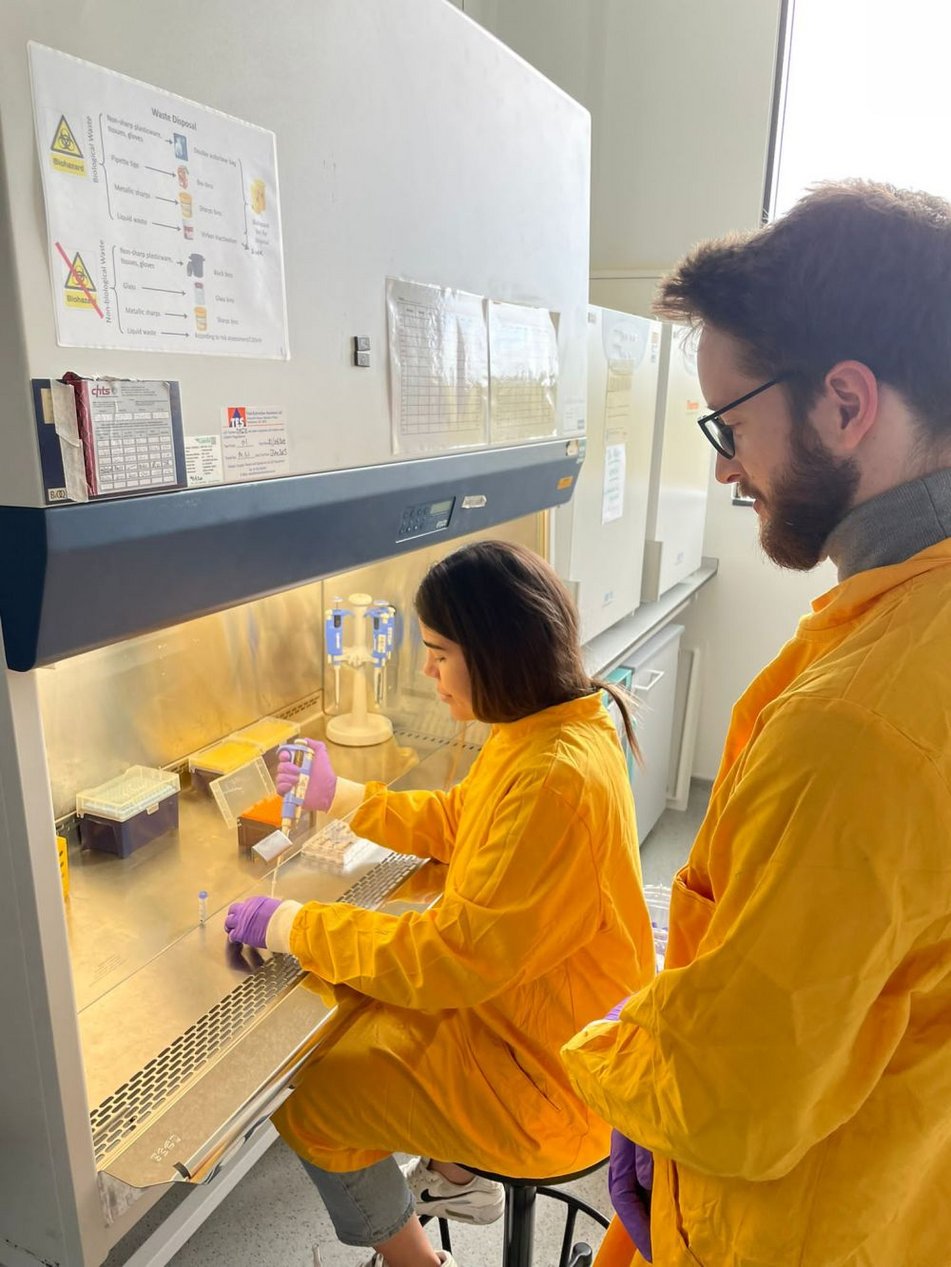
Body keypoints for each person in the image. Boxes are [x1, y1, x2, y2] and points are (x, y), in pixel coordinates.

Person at [561, 178, 951, 1267]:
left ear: (844, 401)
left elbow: (736, 1093)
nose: (726, 465)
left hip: (802, 1220)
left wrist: (607, 1057)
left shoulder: (860, 728)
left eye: (731, 424)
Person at [225, 540, 656, 1267]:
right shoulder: (553, 729)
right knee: (348, 1013)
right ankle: (458, 1179)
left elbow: (448, 960)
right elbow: (464, 821)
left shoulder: (554, 778)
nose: (426, 670)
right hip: (539, 1020)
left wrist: (295, 923)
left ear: (495, 652)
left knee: (313, 1104)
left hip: (551, 1084)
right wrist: (349, 800)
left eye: (437, 651)